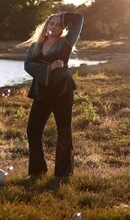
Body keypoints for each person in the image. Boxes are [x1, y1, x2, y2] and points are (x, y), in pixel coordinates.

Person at [20, 12, 84, 177]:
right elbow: (28, 65)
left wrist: (62, 15)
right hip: (42, 91)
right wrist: (50, 68)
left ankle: (63, 173)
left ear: (63, 28)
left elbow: (79, 19)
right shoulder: (36, 45)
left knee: (63, 130)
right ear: (46, 26)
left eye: (58, 24)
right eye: (51, 23)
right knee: (33, 129)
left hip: (62, 90)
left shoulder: (66, 43)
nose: (54, 27)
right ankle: (37, 171)